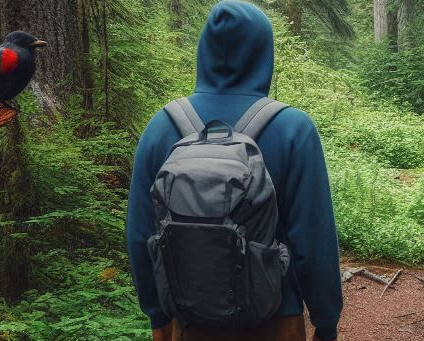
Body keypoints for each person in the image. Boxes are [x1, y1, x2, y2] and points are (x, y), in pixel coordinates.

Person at [125, 1, 343, 341]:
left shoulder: (162, 126)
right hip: (275, 320)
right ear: (263, 52)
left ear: (204, 51)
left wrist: (157, 316)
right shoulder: (293, 129)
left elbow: (141, 236)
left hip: (190, 320)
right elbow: (313, 240)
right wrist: (326, 322)